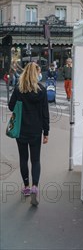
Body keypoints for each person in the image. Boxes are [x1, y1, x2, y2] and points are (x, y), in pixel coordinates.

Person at [8, 62, 49, 206]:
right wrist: (46, 132)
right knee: (36, 160)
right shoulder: (42, 91)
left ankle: (26, 187)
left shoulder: (19, 89)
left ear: (25, 73)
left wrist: (21, 104)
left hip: (21, 130)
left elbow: (11, 106)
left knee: (23, 158)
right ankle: (35, 187)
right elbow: (45, 113)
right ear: (36, 74)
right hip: (36, 131)